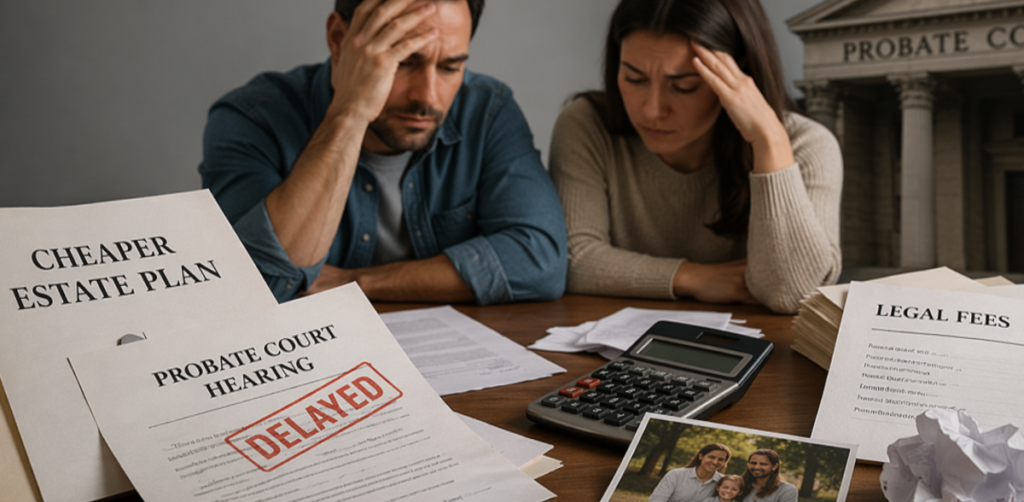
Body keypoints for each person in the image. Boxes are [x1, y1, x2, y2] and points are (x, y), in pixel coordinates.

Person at [200, 0, 567, 304]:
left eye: (450, 67)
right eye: (403, 61)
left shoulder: (487, 110)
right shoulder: (251, 118)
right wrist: (351, 112)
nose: (427, 97)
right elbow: (261, 285)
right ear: (339, 39)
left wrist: (358, 281)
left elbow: (540, 262)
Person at [548, 0, 842, 314]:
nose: (652, 110)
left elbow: (793, 293)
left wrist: (768, 140)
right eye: (634, 79)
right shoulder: (587, 125)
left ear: (739, 76)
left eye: (684, 86)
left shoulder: (807, 145)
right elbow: (572, 260)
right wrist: (691, 277)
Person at [640, 442, 731, 502]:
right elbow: (655, 501)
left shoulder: (723, 482)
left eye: (721, 459)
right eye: (711, 457)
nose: (715, 462)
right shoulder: (676, 474)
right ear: (701, 456)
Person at [718, 448, 798, 502]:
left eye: (763, 464)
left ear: (774, 466)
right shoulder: (741, 484)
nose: (756, 467)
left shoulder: (787, 490)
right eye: (753, 463)